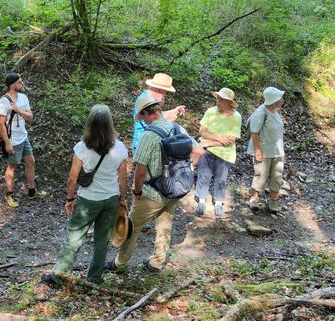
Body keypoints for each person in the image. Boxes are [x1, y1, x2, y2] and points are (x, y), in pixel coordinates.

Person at [105, 94, 204, 272]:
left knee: (131, 227)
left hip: (152, 193)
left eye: (141, 117)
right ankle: (157, 262)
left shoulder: (148, 136)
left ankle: (120, 264)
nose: (142, 120)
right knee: (165, 224)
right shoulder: (177, 128)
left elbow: (140, 170)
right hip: (174, 189)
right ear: (158, 111)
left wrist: (136, 192)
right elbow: (199, 151)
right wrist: (188, 169)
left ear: (146, 114)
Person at [41, 105, 128, 285]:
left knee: (74, 237)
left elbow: (72, 179)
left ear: (90, 124)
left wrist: (70, 199)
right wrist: (122, 199)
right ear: (110, 124)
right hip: (110, 199)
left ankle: (60, 276)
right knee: (102, 240)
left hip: (89, 200)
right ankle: (95, 278)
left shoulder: (82, 148)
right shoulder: (120, 148)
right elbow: (123, 179)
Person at [0, 73, 47, 208]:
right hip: (12, 140)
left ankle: (32, 191)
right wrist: (7, 142)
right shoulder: (4, 101)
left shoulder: (23, 97)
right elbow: (1, 123)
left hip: (23, 137)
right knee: (12, 167)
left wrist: (18, 110)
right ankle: (10, 194)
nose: (22, 84)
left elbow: (30, 117)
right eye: (20, 82)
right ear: (12, 85)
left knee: (31, 161)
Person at [194, 88, 242, 217]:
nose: (218, 101)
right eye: (217, 98)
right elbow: (202, 131)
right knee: (204, 175)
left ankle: (219, 203)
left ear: (229, 102)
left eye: (221, 99)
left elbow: (231, 140)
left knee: (221, 179)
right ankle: (202, 201)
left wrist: (209, 142)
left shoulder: (236, 117)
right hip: (208, 150)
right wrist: (219, 138)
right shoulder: (211, 111)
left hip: (225, 152)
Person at [247, 87, 286, 213]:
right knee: (261, 175)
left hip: (277, 151)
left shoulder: (275, 111)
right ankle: (255, 199)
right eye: (280, 98)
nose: (283, 100)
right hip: (263, 151)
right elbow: (254, 133)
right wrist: (258, 151)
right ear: (274, 100)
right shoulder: (261, 113)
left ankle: (272, 202)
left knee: (277, 177)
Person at [131, 73, 186, 153]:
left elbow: (157, 114)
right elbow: (153, 123)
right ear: (159, 90)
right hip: (144, 146)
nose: (165, 95)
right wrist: (169, 121)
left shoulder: (148, 98)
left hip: (148, 144)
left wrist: (173, 111)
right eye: (166, 92)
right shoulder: (145, 102)